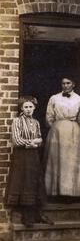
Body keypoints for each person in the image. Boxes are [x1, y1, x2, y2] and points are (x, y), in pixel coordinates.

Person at [5, 96, 53, 227]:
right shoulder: (17, 121)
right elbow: (16, 140)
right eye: (25, 107)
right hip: (21, 156)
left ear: (34, 108)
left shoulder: (36, 122)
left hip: (33, 156)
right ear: (21, 108)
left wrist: (36, 143)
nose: (28, 109)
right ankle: (26, 218)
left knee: (33, 182)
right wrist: (31, 143)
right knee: (23, 182)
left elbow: (40, 139)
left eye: (30, 107)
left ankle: (35, 215)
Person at [44, 77, 80, 197]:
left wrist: (74, 128)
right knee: (56, 159)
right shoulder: (54, 98)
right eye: (63, 83)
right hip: (57, 130)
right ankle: (55, 192)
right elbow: (49, 117)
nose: (65, 85)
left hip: (73, 130)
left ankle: (72, 193)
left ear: (73, 84)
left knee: (72, 160)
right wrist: (56, 127)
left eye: (68, 83)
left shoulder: (79, 99)